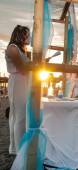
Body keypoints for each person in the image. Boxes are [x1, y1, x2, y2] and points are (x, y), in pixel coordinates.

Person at [5, 25, 30, 154]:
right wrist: (32, 66)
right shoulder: (12, 48)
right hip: (17, 81)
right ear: (20, 35)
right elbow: (22, 68)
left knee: (21, 116)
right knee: (18, 116)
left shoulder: (22, 50)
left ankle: (18, 147)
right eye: (27, 34)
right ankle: (17, 149)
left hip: (23, 81)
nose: (29, 37)